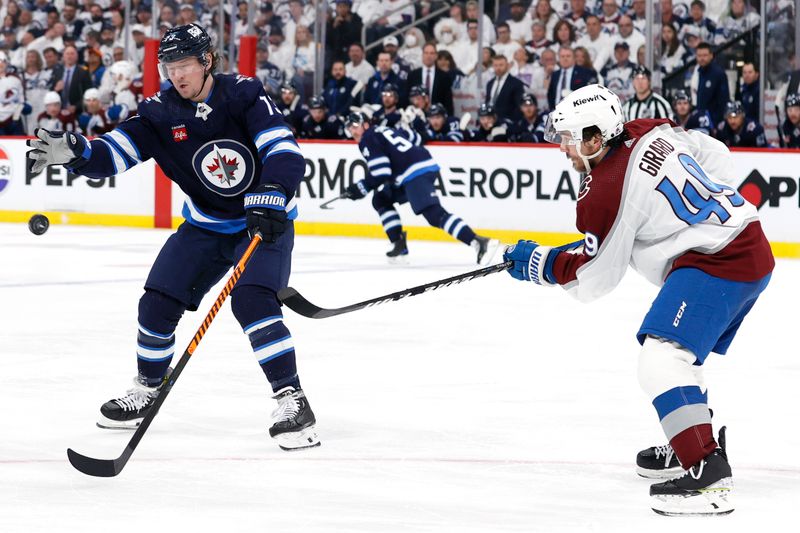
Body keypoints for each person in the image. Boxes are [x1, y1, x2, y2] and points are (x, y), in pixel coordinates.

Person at [26, 23, 320, 452]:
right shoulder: (159, 112)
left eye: (184, 64)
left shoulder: (244, 94)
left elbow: (283, 148)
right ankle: (147, 389)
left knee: (252, 301)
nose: (176, 75)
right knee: (156, 303)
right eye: (169, 66)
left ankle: (292, 399)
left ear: (207, 62)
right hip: (205, 225)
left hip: (262, 220)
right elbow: (114, 152)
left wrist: (273, 192)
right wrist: (80, 153)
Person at [502, 84, 773, 516]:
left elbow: (594, 279)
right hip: (746, 241)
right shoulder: (648, 129)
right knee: (679, 356)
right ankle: (689, 441)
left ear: (595, 138)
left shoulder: (602, 193)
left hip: (719, 261)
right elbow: (719, 157)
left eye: (570, 140)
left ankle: (706, 470)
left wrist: (542, 263)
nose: (565, 150)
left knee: (660, 360)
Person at [342, 111, 499, 264]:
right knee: (381, 198)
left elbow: (382, 172)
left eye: (355, 126)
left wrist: (359, 188)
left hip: (414, 173)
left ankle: (478, 241)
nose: (352, 131)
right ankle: (398, 243)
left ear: (366, 124)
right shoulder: (385, 129)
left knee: (434, 215)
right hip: (413, 171)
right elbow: (414, 138)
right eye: (349, 128)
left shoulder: (368, 138)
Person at [408, 43, 454, 116]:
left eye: (432, 53)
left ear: (436, 56)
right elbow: (408, 98)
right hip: (416, 115)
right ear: (422, 55)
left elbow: (448, 102)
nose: (428, 56)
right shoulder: (412, 75)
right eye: (426, 53)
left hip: (437, 118)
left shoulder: (444, 77)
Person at [691, 42, 729, 125]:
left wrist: (717, 123)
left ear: (711, 55)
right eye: (699, 56)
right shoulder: (699, 72)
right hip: (701, 120)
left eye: (705, 55)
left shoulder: (719, 73)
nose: (702, 58)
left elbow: (723, 101)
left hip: (714, 122)